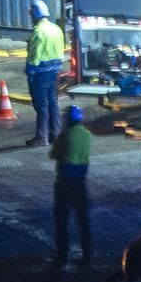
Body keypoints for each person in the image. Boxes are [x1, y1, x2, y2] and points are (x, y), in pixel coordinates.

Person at [49, 103, 92, 268]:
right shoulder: (87, 134)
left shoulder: (66, 135)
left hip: (65, 181)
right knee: (83, 219)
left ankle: (62, 255)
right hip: (81, 181)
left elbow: (53, 154)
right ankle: (87, 252)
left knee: (62, 219)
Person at [25, 0, 67, 147]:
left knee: (41, 106)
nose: (31, 18)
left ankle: (41, 137)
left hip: (40, 75)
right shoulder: (56, 29)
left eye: (31, 16)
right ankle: (56, 134)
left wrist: (29, 71)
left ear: (35, 15)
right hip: (54, 73)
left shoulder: (39, 32)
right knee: (53, 103)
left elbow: (34, 57)